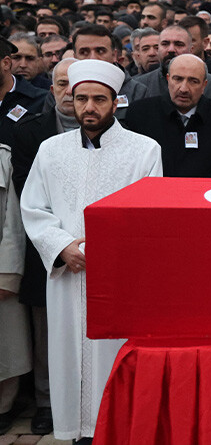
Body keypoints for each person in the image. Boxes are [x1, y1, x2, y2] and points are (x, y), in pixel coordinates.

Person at [20, 59, 162, 443]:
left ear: (116, 102)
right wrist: (62, 246)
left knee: (113, 359)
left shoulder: (144, 151)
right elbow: (33, 208)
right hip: (67, 276)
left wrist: (109, 252)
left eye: (99, 99)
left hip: (118, 281)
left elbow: (149, 215)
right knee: (68, 356)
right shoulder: (51, 150)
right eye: (81, 98)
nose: (89, 108)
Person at [10, 58, 79, 436]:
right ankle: (47, 401)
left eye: (76, 84)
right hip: (46, 245)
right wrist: (60, 239)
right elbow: (28, 195)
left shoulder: (116, 132)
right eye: (61, 83)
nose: (69, 92)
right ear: (50, 88)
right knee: (46, 330)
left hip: (90, 245)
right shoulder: (29, 132)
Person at [125, 54, 211, 177]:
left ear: (204, 85)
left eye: (193, 81)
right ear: (168, 79)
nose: (184, 89)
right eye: (178, 79)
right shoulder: (140, 113)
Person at [0, 139, 27, 435]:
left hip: (0, 265)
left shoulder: (3, 156)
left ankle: (4, 406)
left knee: (5, 344)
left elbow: (13, 220)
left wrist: (7, 271)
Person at [133, 25, 211, 103]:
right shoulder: (140, 85)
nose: (171, 50)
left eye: (179, 44)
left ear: (191, 50)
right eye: (165, 44)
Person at [0, 36, 48, 147]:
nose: (23, 64)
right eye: (17, 58)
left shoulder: (42, 100)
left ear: (6, 63)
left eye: (30, 58)